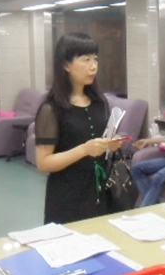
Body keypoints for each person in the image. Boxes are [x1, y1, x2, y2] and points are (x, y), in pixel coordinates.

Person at [34, 32, 123, 224]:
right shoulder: (51, 109)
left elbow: (101, 145)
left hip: (100, 191)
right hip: (67, 196)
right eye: (86, 60)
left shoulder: (99, 102)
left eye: (95, 59)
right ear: (66, 65)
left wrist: (110, 145)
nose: (93, 66)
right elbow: (43, 162)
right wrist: (84, 149)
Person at [130, 134, 165, 207]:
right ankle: (152, 207)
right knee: (136, 169)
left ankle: (145, 210)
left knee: (159, 177)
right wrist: (147, 141)